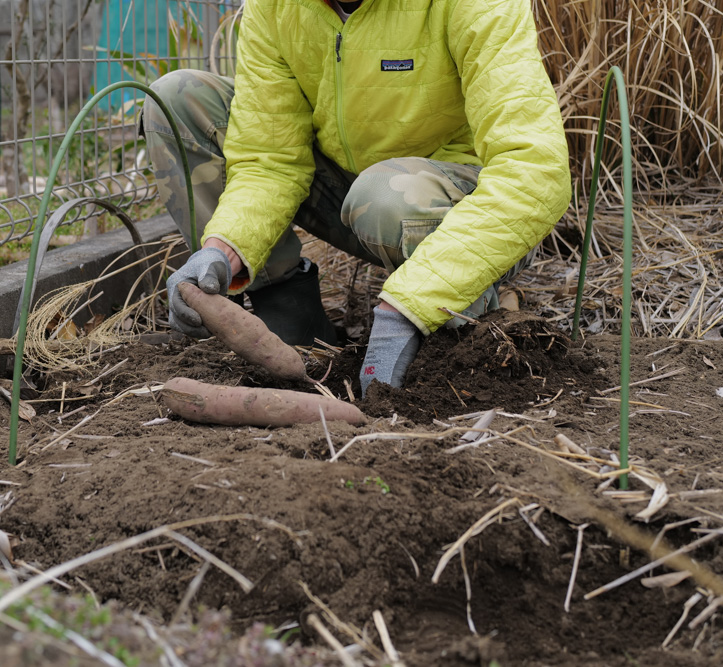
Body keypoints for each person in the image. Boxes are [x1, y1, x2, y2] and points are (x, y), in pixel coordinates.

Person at [141, 0, 571, 396]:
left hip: (458, 206)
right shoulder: (276, 7)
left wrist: (412, 303)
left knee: (385, 193)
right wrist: (223, 248)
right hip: (352, 192)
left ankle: (460, 334)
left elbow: (534, 170)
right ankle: (289, 307)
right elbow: (270, 159)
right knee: (179, 100)